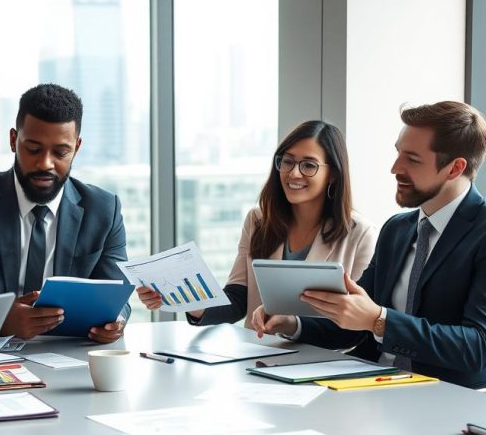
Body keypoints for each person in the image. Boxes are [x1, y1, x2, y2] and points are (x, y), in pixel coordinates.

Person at [252, 101, 486, 390]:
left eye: (412, 159)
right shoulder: (397, 229)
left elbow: (478, 346)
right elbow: (355, 324)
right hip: (378, 387)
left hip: (455, 396)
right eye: (398, 153)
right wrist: (292, 323)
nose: (394, 168)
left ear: (455, 168)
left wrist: (380, 321)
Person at [0, 83, 129, 343]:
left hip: (72, 357)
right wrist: (0, 321)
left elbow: (117, 298)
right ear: (13, 140)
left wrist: (115, 322)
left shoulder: (104, 210)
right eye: (33, 149)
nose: (45, 163)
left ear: (76, 147)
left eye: (60, 152)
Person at [137, 120, 377, 328]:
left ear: (333, 173)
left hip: (325, 363)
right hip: (261, 354)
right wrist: (189, 300)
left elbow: (355, 317)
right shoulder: (258, 220)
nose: (293, 174)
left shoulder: (360, 233)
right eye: (287, 162)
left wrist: (294, 325)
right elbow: (238, 300)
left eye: (308, 165)